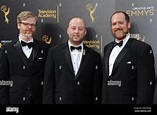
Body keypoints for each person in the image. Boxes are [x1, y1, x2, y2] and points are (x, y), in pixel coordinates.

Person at [43, 17, 102, 104]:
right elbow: (48, 85)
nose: (76, 32)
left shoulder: (94, 56)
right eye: (73, 28)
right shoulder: (54, 52)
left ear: (85, 32)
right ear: (67, 30)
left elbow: (96, 88)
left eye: (80, 29)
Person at [102, 11, 156, 104]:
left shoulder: (142, 49)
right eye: (114, 24)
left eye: (121, 23)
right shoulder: (107, 48)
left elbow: (146, 87)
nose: (117, 26)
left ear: (128, 24)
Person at [0, 11, 49, 104]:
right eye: (26, 24)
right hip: (15, 100)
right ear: (19, 25)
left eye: (33, 25)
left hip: (38, 99)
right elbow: (3, 80)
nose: (30, 28)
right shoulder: (7, 48)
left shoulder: (45, 48)